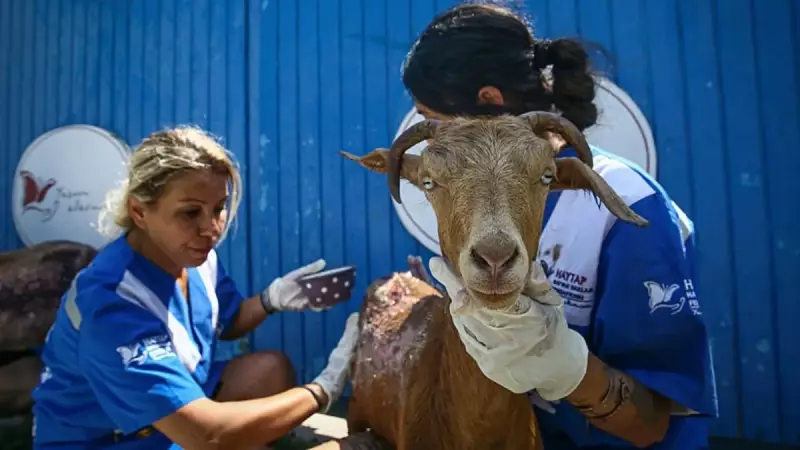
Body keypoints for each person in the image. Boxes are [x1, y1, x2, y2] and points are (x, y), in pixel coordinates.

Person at [401, 3, 718, 449]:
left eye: (431, 119)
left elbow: (656, 424)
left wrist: (568, 369)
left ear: (489, 101)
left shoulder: (627, 206)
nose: (430, 138)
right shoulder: (473, 197)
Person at [31, 126, 360, 449]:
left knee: (270, 372)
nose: (211, 228)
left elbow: (227, 320)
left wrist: (271, 299)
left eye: (218, 208)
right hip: (107, 439)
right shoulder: (112, 302)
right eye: (190, 212)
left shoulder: (194, 257)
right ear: (139, 211)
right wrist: (322, 389)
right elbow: (206, 436)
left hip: (171, 420)